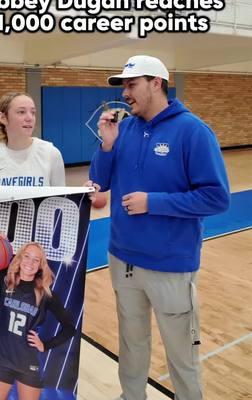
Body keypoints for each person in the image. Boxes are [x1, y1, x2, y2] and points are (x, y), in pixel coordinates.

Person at [89, 55, 230, 400]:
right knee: (132, 346)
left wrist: (154, 202)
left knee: (182, 354)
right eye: (123, 85)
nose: (125, 93)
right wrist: (107, 144)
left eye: (131, 84)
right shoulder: (125, 129)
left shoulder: (193, 131)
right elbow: (99, 182)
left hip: (170, 265)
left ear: (156, 84)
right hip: (123, 260)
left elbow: (216, 198)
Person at [0, 241, 76, 400]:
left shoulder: (45, 294)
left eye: (36, 260)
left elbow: (70, 328)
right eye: (27, 256)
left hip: (28, 364)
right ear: (19, 258)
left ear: (41, 266)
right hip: (2, 361)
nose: (30, 262)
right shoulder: (5, 282)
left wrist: (45, 345)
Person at [0, 92, 65, 186]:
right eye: (21, 112)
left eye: (33, 112)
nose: (30, 118)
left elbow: (60, 199)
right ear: (3, 118)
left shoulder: (51, 154)